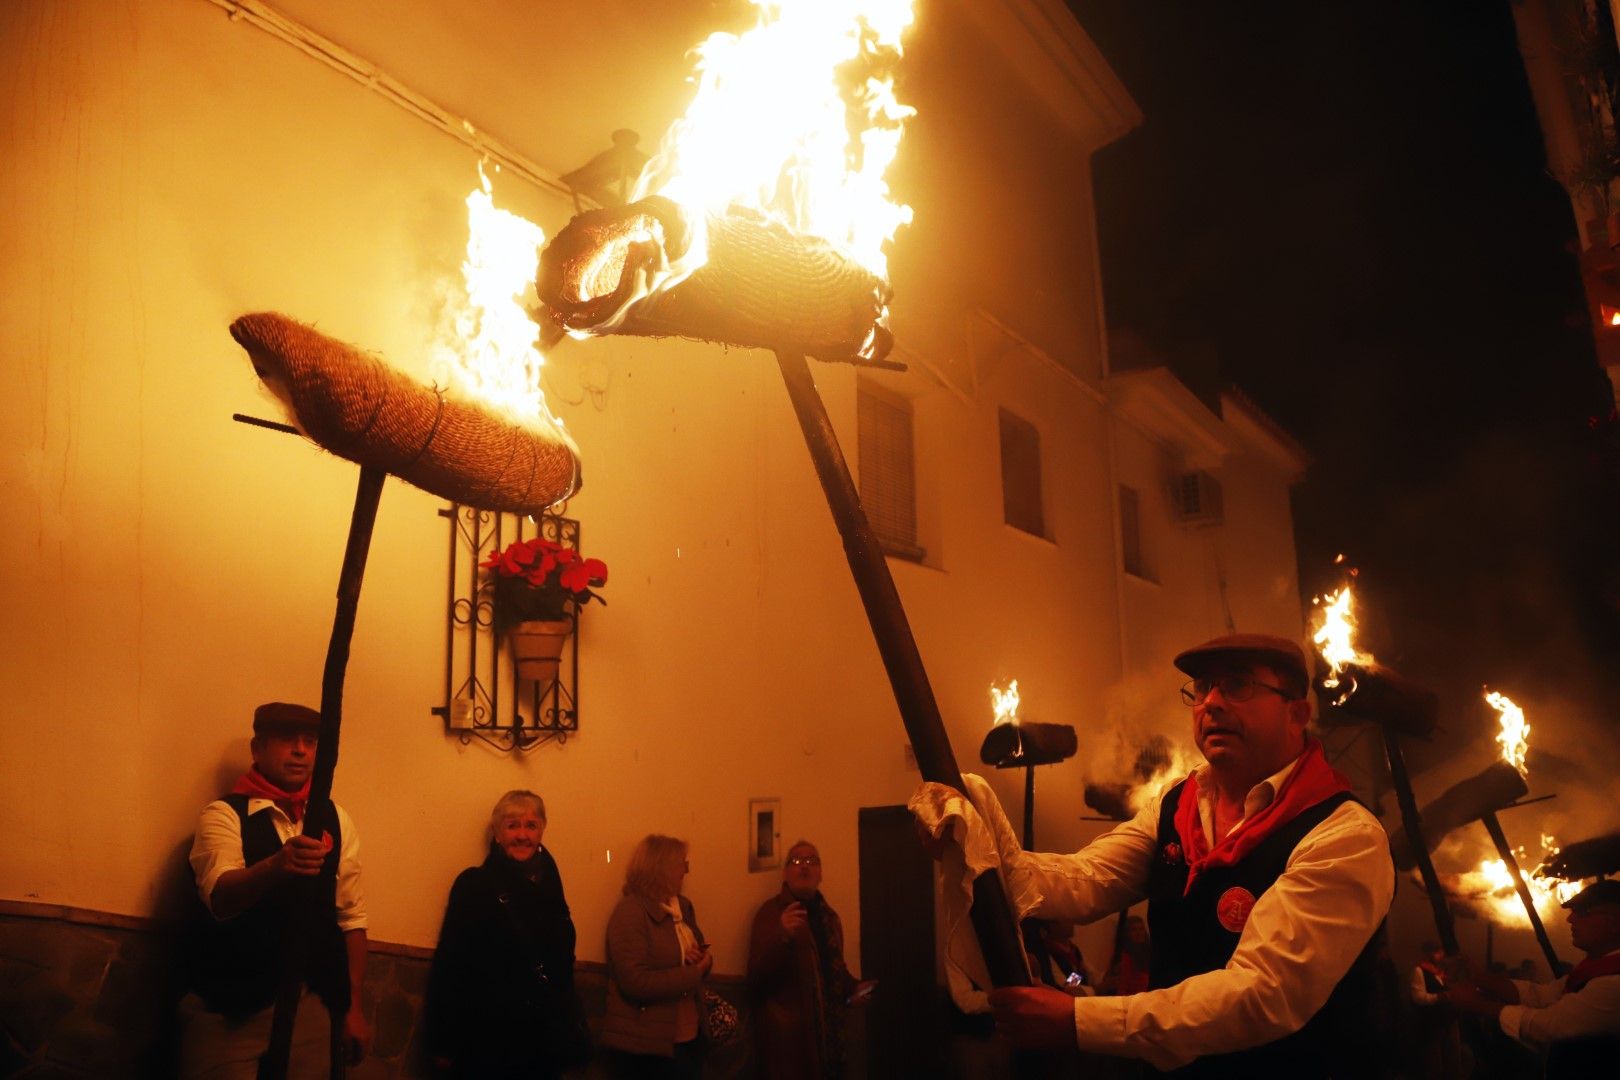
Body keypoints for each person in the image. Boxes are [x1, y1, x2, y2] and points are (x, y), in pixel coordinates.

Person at [911, 633, 1395, 1074]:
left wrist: (1080, 1019)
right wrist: (974, 843)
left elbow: (1262, 994)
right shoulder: (1177, 804)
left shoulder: (1342, 835)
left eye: (1238, 685)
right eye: (1202, 687)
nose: (1212, 703)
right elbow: (1087, 880)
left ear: (1297, 714)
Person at [180, 702, 371, 1077]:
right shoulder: (222, 815)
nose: (301, 750)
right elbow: (220, 896)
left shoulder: (336, 817)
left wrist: (352, 1007)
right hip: (230, 1006)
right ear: (258, 749)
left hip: (312, 1004)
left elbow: (350, 917)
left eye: (310, 741)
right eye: (287, 739)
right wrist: (275, 866)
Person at [424, 790, 584, 1078]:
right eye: (512, 826)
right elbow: (451, 965)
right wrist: (443, 1041)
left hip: (543, 1044)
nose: (522, 835)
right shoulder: (474, 884)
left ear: (542, 831)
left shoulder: (552, 884)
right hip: (488, 1042)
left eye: (530, 825)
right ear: (497, 834)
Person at [1444, 878, 1620, 1074]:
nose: (1570, 919)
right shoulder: (1597, 969)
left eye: (1583, 912)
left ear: (1614, 923)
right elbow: (1542, 996)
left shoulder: (1614, 983)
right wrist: (1478, 976)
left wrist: (1477, 1004)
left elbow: (1547, 1025)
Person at [747, 839, 873, 1079]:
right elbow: (756, 979)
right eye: (796, 861)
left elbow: (833, 970)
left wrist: (854, 988)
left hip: (830, 1041)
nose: (804, 866)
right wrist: (782, 937)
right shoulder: (771, 913)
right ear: (785, 873)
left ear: (820, 873)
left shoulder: (830, 918)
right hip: (789, 1046)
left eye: (811, 861)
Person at [601, 834, 712, 1078]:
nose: (686, 871)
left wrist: (701, 958)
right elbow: (635, 981)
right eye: (682, 863)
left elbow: (700, 951)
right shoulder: (630, 912)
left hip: (689, 1035)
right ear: (661, 868)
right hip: (648, 1046)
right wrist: (694, 972)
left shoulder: (681, 906)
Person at [1099, 915, 1150, 996]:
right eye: (1134, 930)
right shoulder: (1124, 957)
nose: (1138, 933)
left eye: (1141, 929)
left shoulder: (1149, 952)